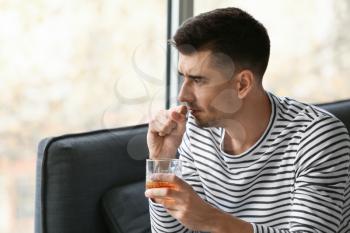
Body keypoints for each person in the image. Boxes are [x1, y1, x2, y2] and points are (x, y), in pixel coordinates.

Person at [144, 7, 350, 233]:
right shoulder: (197, 130)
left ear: (242, 84)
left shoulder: (317, 137)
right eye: (183, 77)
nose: (182, 95)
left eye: (198, 80)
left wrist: (211, 219)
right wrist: (161, 162)